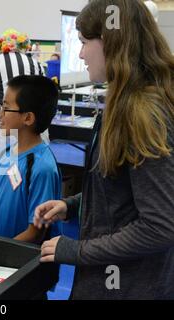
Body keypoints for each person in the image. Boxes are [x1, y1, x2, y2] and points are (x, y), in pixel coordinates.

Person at [34, 0, 174, 299]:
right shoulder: (126, 101)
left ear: (111, 42)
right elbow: (124, 190)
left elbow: (160, 226)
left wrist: (77, 250)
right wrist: (72, 205)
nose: (81, 54)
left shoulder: (142, 113)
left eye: (85, 43)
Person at [0, 75, 61, 243]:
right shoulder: (6, 154)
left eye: (6, 107)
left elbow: (35, 232)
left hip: (19, 260)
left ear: (28, 118)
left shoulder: (42, 167)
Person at [0, 29, 46, 156]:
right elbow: (43, 98)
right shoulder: (36, 64)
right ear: (23, 45)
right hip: (30, 125)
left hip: (1, 124)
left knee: (4, 170)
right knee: (30, 168)